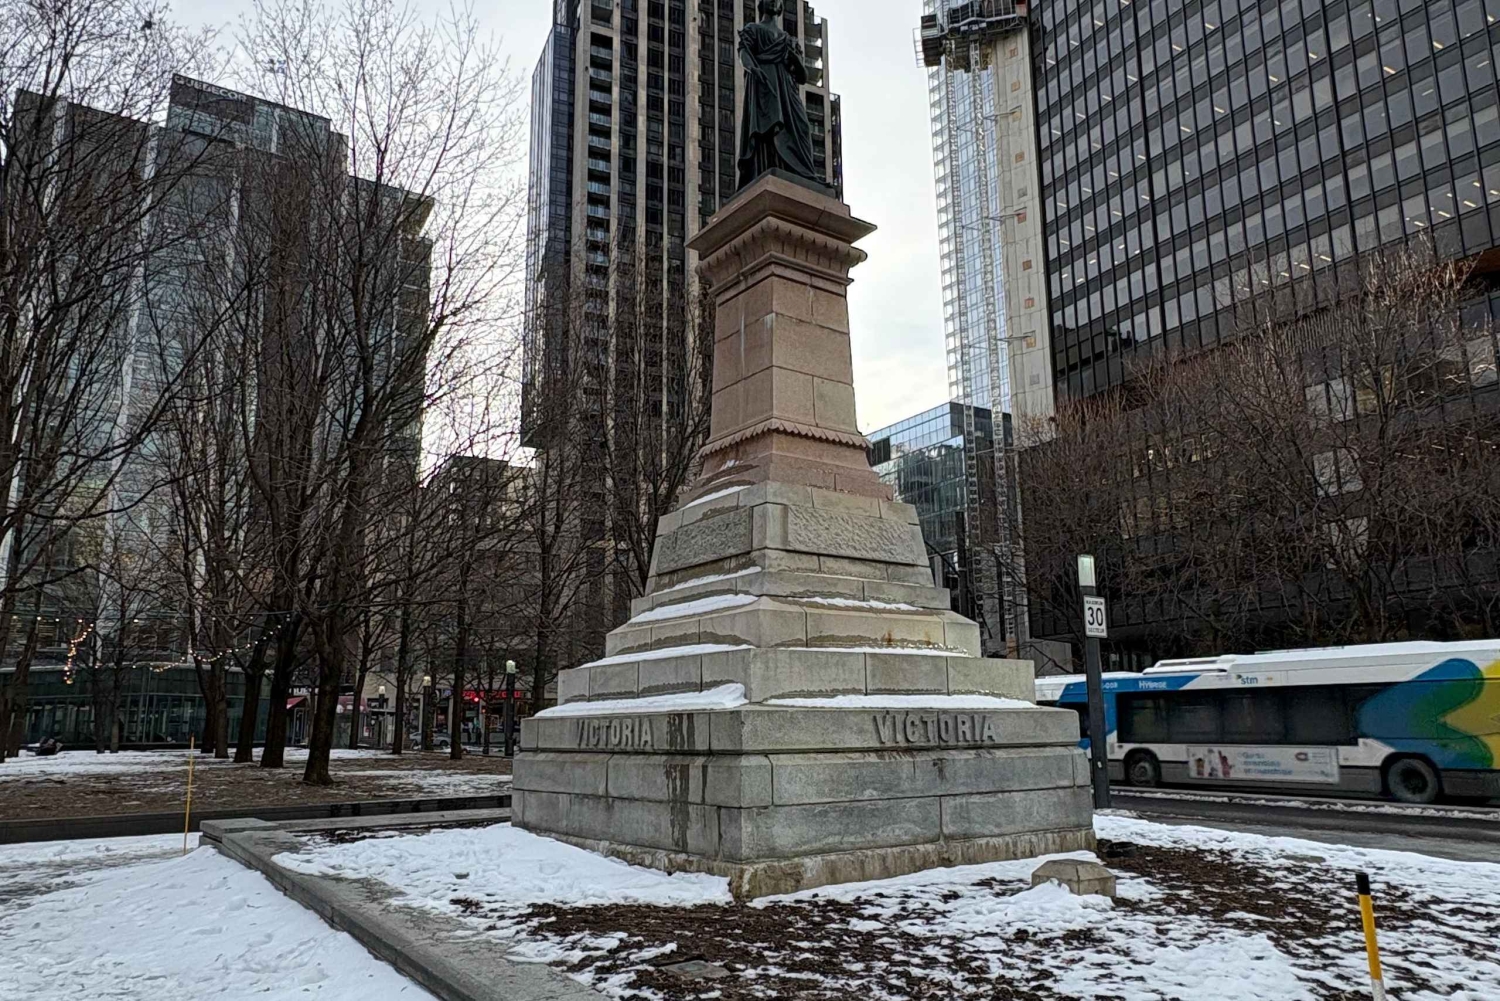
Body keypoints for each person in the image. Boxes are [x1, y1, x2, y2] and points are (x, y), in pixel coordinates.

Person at [737, 0, 823, 191]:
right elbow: (743, 52)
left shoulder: (789, 40)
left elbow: (802, 77)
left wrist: (795, 60)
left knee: (802, 127)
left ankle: (803, 173)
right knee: (771, 127)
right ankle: (771, 167)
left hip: (787, 88)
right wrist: (752, 68)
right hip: (765, 84)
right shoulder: (754, 29)